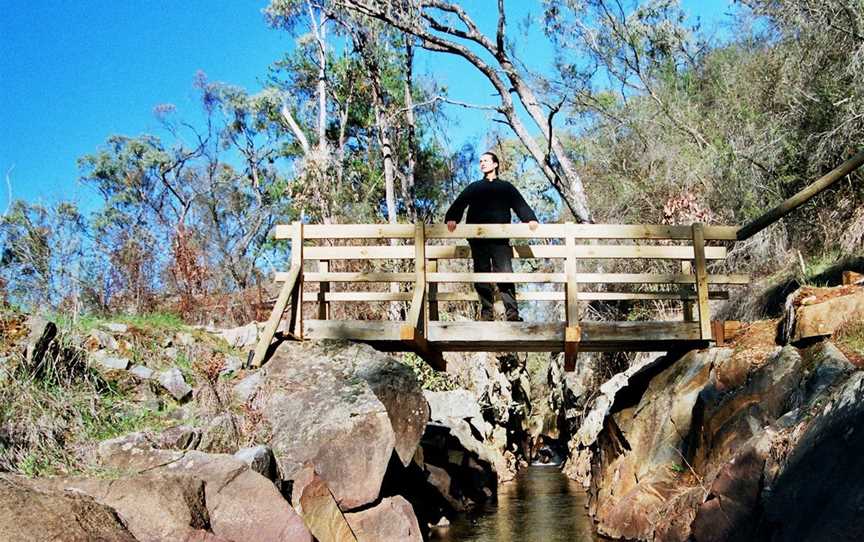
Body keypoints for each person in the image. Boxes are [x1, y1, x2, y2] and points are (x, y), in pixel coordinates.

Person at [444, 151, 539, 321]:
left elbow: (519, 203)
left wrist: (530, 219)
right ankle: (486, 313)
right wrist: (452, 218)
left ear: (495, 164)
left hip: (500, 239)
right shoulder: (474, 187)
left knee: (505, 274)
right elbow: (460, 202)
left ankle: (512, 313)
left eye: (486, 161)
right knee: (481, 275)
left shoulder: (505, 187)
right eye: (480, 161)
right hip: (478, 239)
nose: (482, 163)